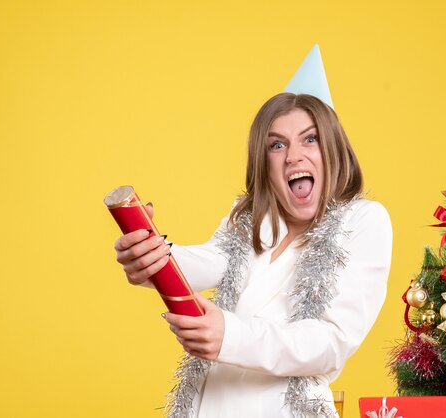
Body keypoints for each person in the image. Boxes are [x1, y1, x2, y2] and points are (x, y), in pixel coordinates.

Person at [113, 47, 392, 418]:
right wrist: (150, 253)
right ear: (265, 162)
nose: (293, 156)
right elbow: (207, 261)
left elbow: (331, 341)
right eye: (277, 145)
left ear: (333, 150)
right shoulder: (250, 220)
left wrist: (231, 335)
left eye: (310, 139)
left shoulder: (364, 221)